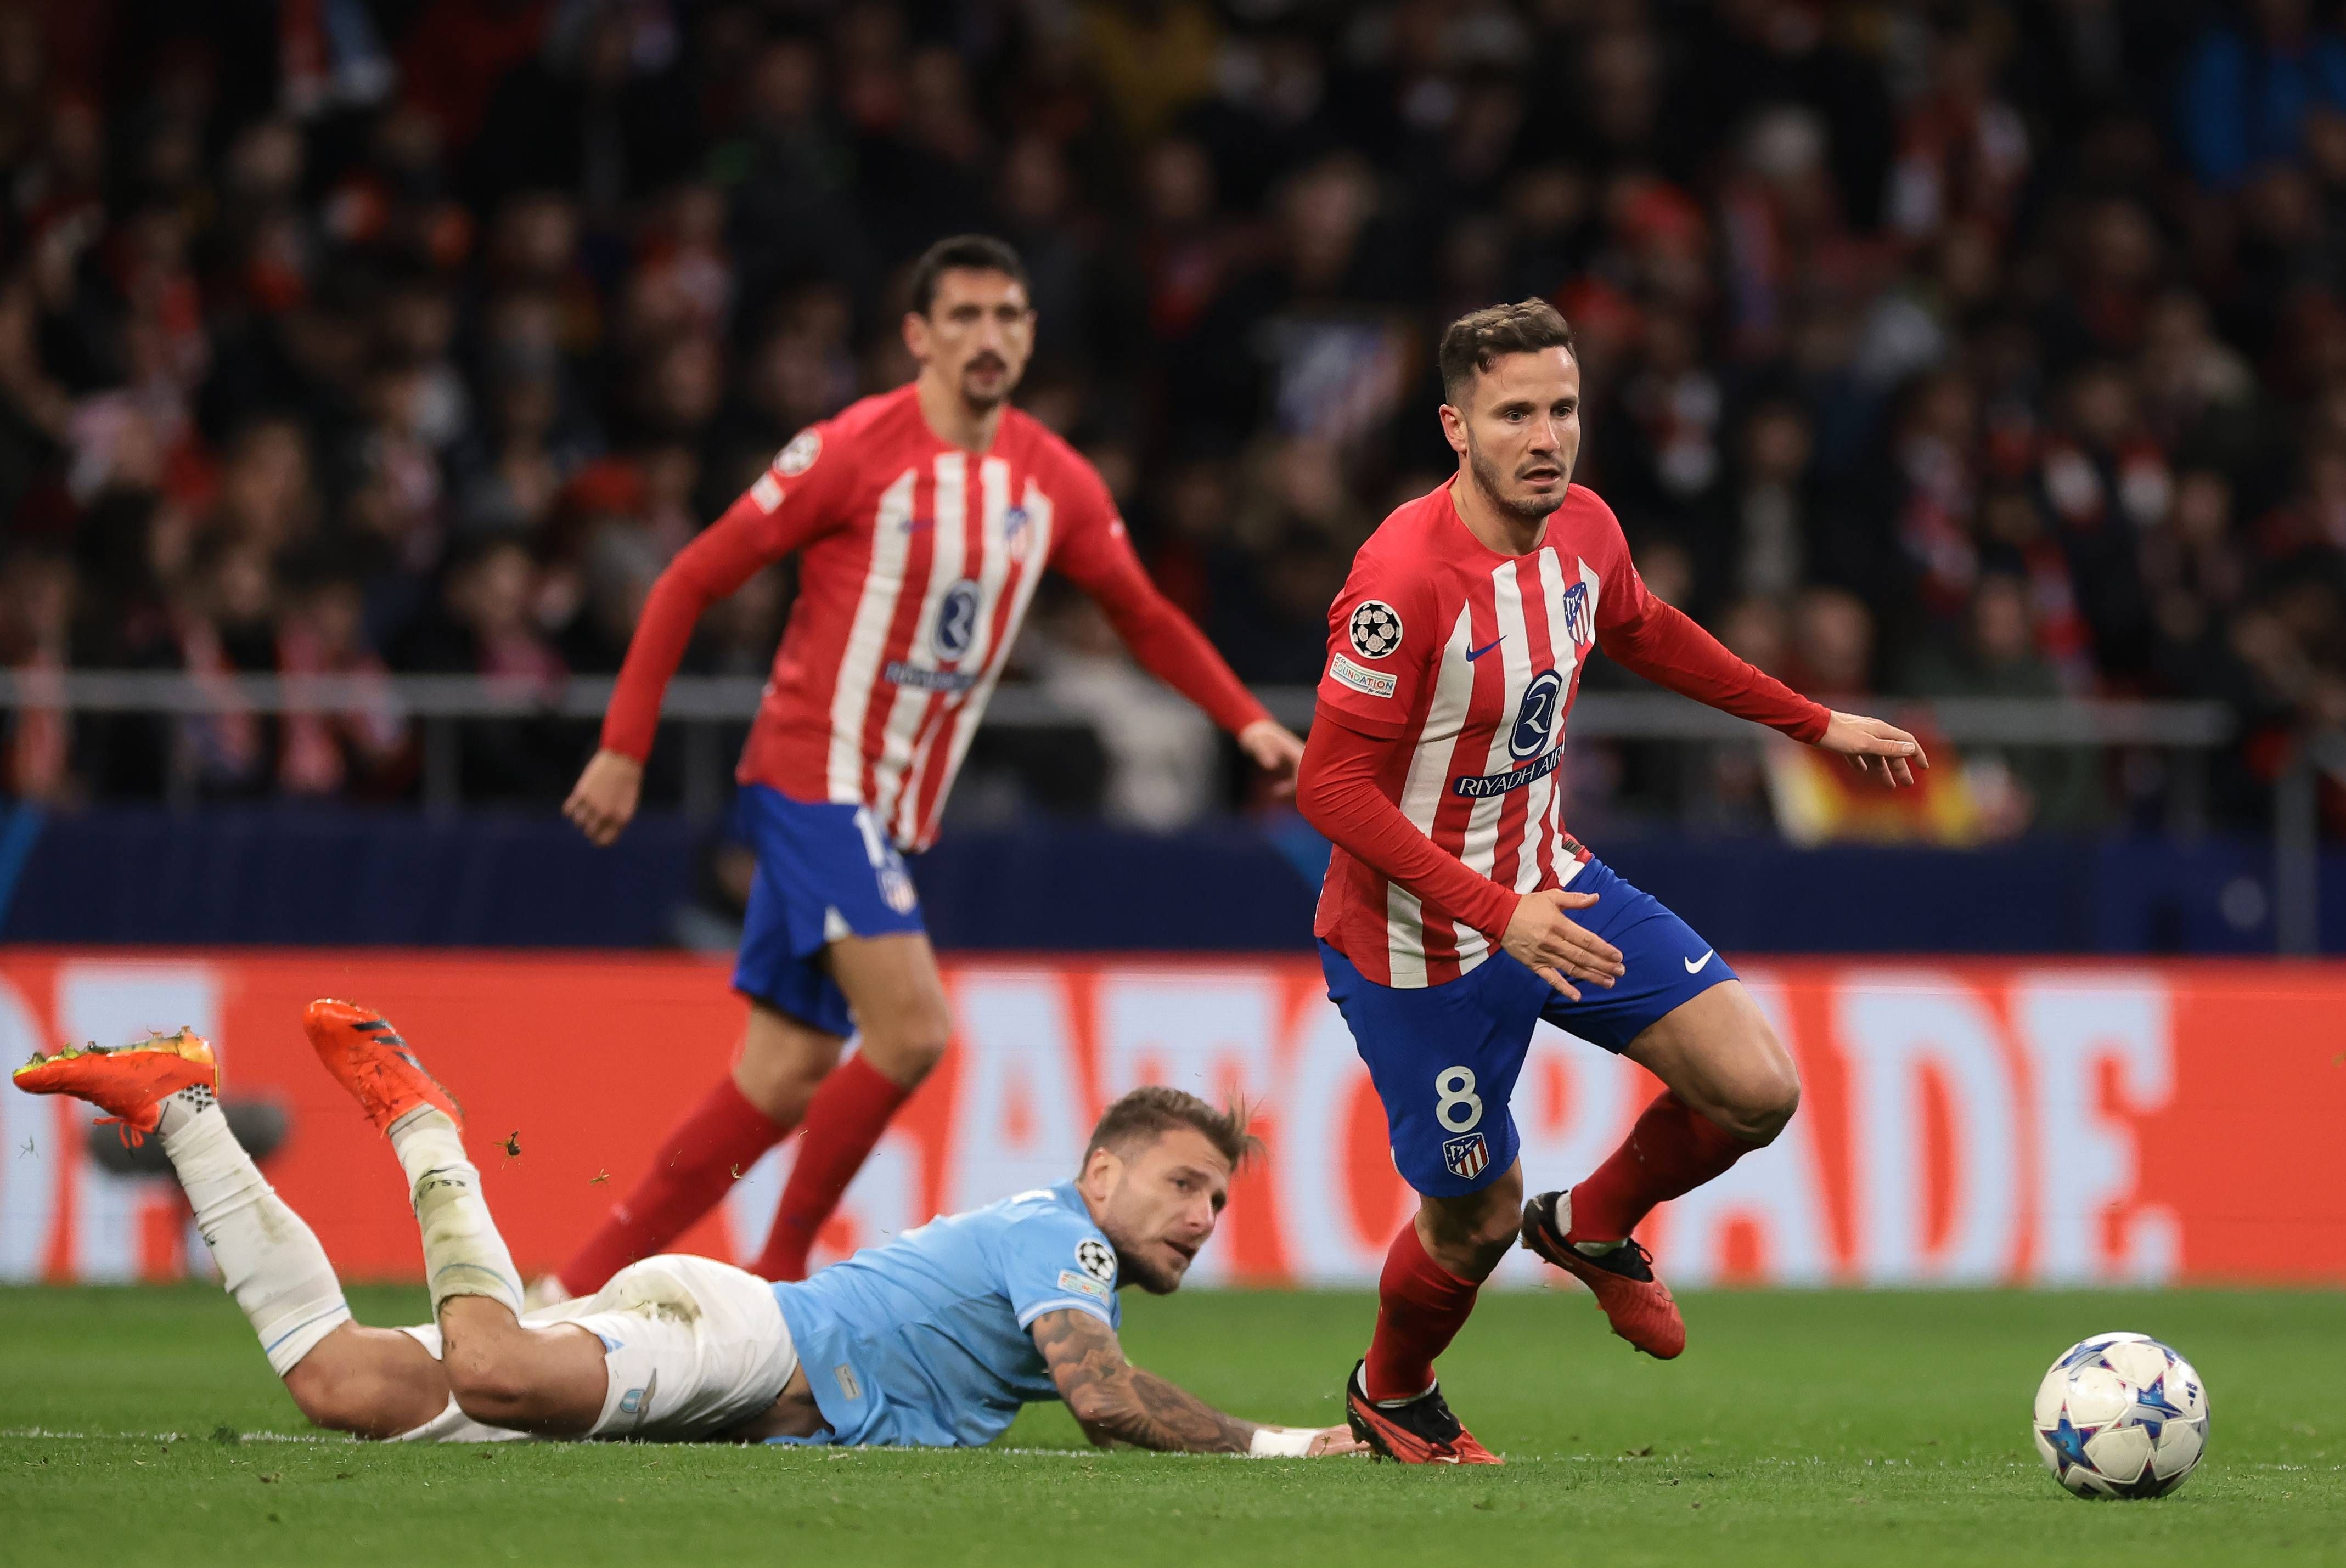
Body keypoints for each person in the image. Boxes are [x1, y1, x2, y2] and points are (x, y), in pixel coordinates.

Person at [553, 234, 1304, 1295]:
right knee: (912, 1030)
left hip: (895, 810)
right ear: (917, 335)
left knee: (783, 1071)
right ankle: (782, 1272)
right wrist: (623, 751)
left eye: (1008, 316)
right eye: (963, 317)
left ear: (1032, 334)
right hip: (816, 774)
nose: (988, 337)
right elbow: (686, 579)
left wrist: (1244, 721)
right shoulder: (853, 450)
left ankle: (574, 1283)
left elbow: (1141, 614)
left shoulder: (1053, 480)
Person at [1297, 300, 1924, 1464]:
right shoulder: (1401, 581)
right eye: (1513, 414)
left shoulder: (1582, 526)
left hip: (1549, 881)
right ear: (1455, 428)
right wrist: (1497, 915)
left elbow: (1643, 627)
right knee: (1473, 1221)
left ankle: (1590, 1225)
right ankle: (1392, 1392)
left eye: (1562, 408)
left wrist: (1810, 721)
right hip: (1417, 940)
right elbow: (1329, 790)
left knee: (1753, 1086)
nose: (1546, 437)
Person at [10, 1004, 1361, 1456]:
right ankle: (426, 1121)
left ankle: (181, 1107)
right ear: (1101, 1172)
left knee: (340, 1385)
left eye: (1220, 1202)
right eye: (1182, 1184)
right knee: (492, 1367)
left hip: (723, 1368)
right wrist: (1303, 1445)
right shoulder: (1063, 1238)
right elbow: (1105, 1403)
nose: (1201, 1216)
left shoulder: (1054, 1241)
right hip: (739, 1343)